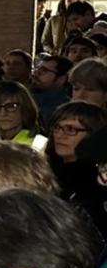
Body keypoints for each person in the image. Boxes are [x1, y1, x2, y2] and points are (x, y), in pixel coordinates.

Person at [48, 101, 107, 239]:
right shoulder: (44, 168)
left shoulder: (98, 181)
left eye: (70, 129)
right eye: (57, 127)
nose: (60, 135)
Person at [32, 55, 73, 127]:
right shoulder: (30, 96)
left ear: (61, 79)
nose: (36, 73)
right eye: (37, 69)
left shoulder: (63, 109)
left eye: (44, 71)